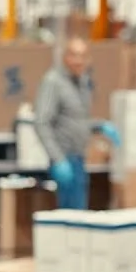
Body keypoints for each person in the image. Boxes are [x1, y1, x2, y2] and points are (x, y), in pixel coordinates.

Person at [33, 37, 94, 209]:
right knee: (68, 221)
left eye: (83, 56)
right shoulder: (53, 82)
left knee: (79, 217)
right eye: (74, 55)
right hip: (64, 160)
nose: (78, 61)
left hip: (79, 159)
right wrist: (58, 159)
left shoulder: (82, 82)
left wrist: (98, 127)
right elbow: (41, 122)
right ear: (65, 57)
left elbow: (76, 118)